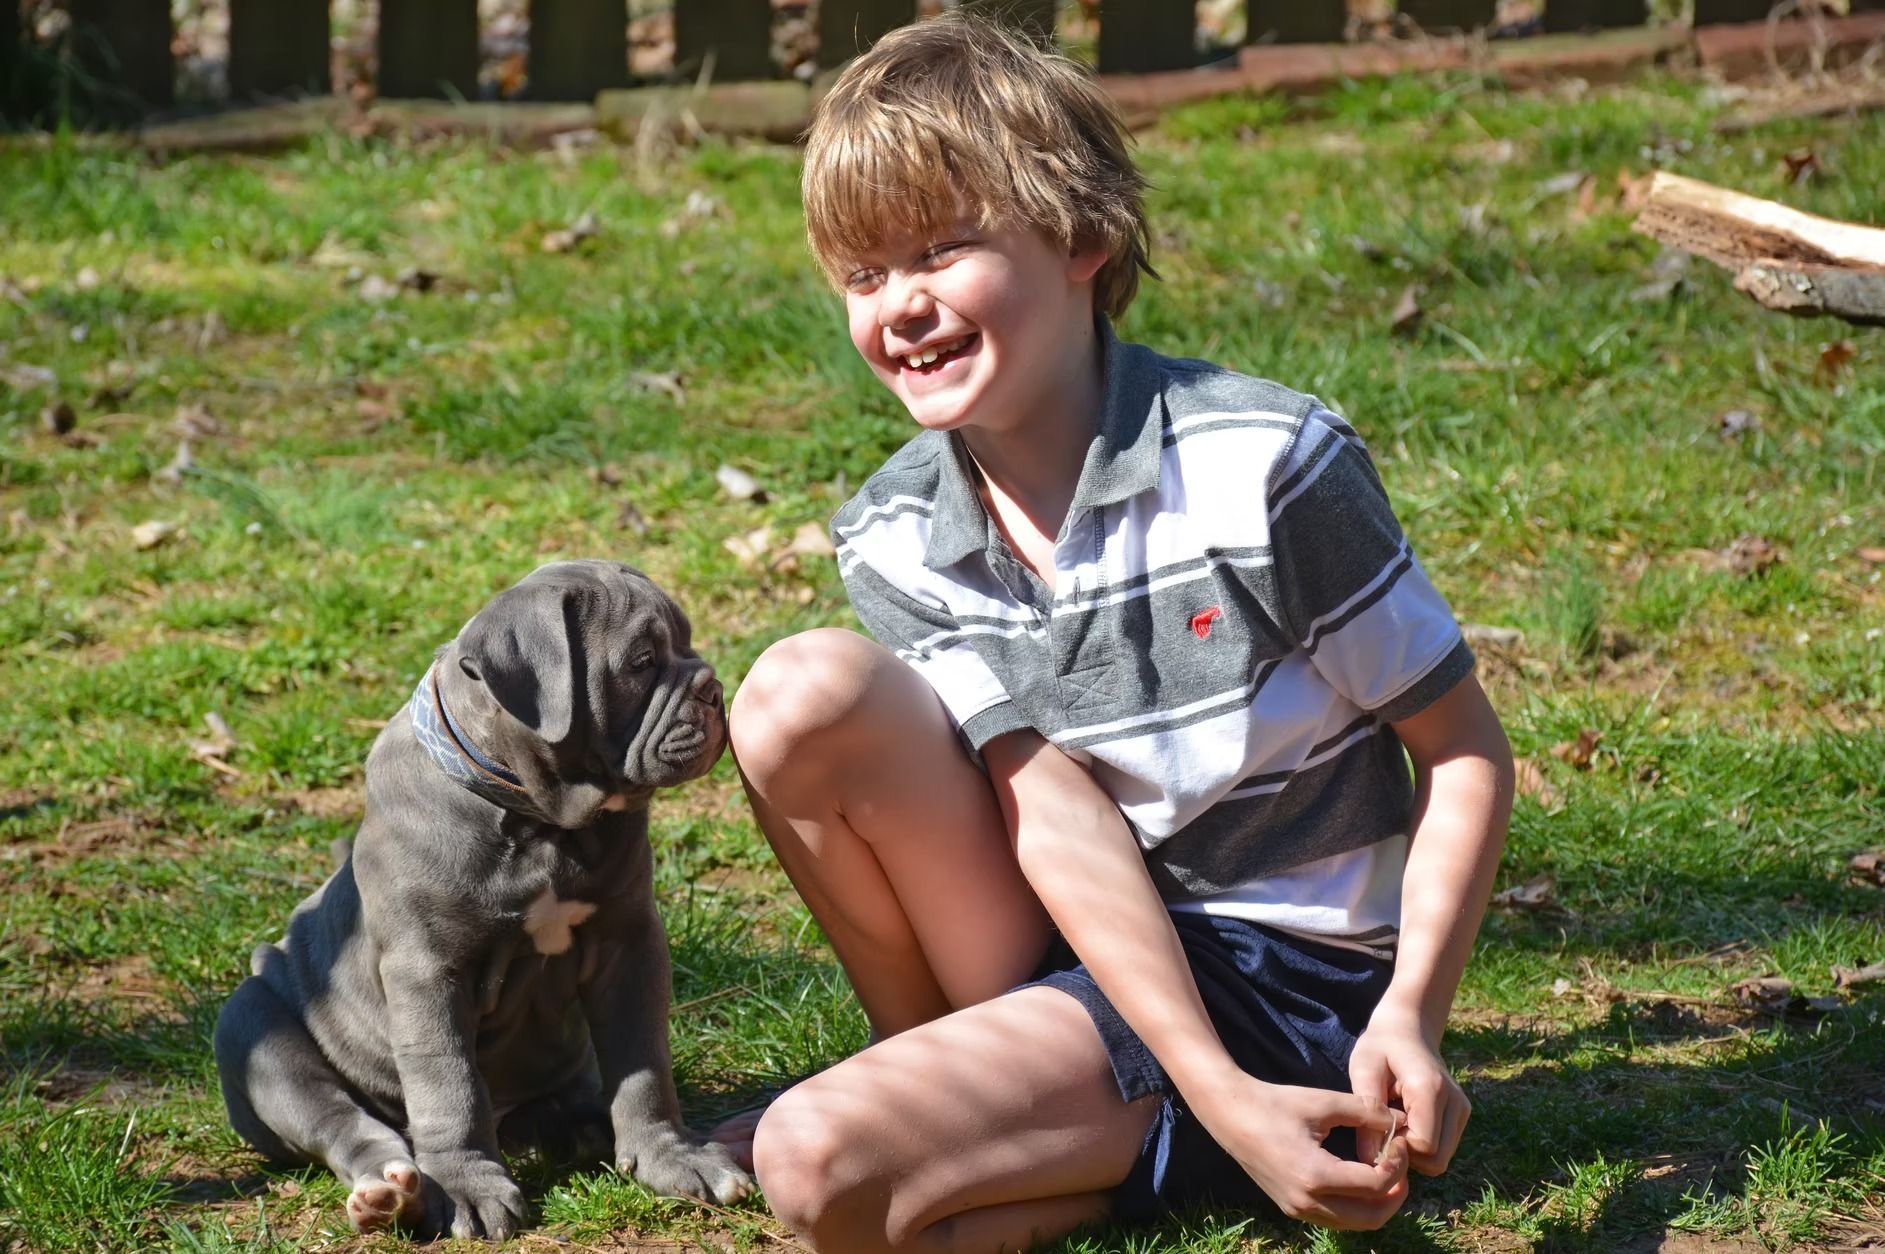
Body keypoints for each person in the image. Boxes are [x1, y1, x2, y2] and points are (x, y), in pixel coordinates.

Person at [709, 13, 1515, 1252]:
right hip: (1076, 932)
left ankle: (1176, 1119)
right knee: (796, 694)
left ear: (1083, 236)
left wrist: (1408, 1013)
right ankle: (1011, 1091)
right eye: (865, 277)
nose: (902, 309)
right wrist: (1208, 1095)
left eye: (939, 249)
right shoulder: (891, 533)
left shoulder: (1263, 467)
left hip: (1283, 971)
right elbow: (1051, 809)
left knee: (821, 1169)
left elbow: (1461, 748)